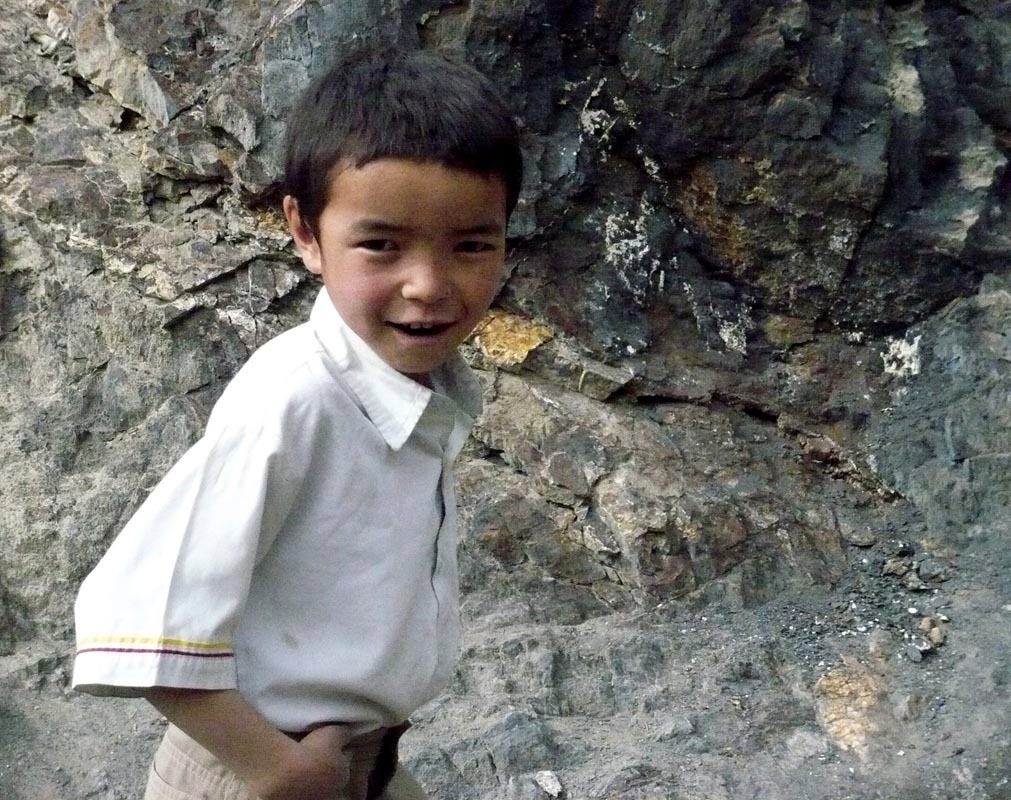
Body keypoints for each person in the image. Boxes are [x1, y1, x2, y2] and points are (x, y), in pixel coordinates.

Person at [72, 44, 523, 800]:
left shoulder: (416, 384)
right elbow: (134, 611)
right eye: (381, 245)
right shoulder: (295, 400)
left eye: (472, 245)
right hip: (255, 772)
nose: (428, 285)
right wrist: (274, 767)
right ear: (305, 232)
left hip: (358, 762)